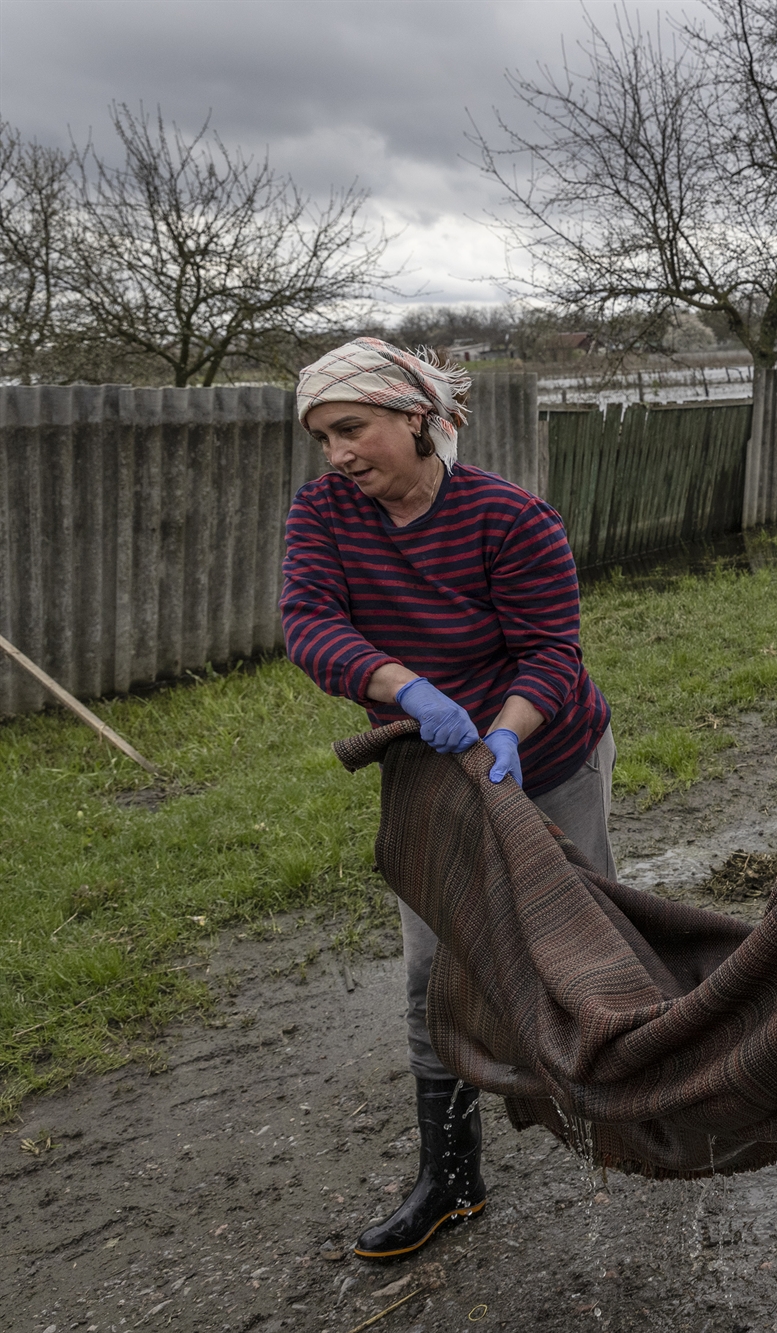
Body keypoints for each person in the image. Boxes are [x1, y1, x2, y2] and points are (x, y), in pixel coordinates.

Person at [280, 339, 613, 1261]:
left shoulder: (509, 517)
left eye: (352, 428)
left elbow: (553, 649)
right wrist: (405, 686)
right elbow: (309, 623)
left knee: (578, 935)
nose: (338, 453)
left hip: (547, 751)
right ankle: (452, 1178)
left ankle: (627, 1104)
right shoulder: (324, 513)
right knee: (436, 965)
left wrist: (508, 731)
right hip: (429, 766)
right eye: (323, 437)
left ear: (418, 418)